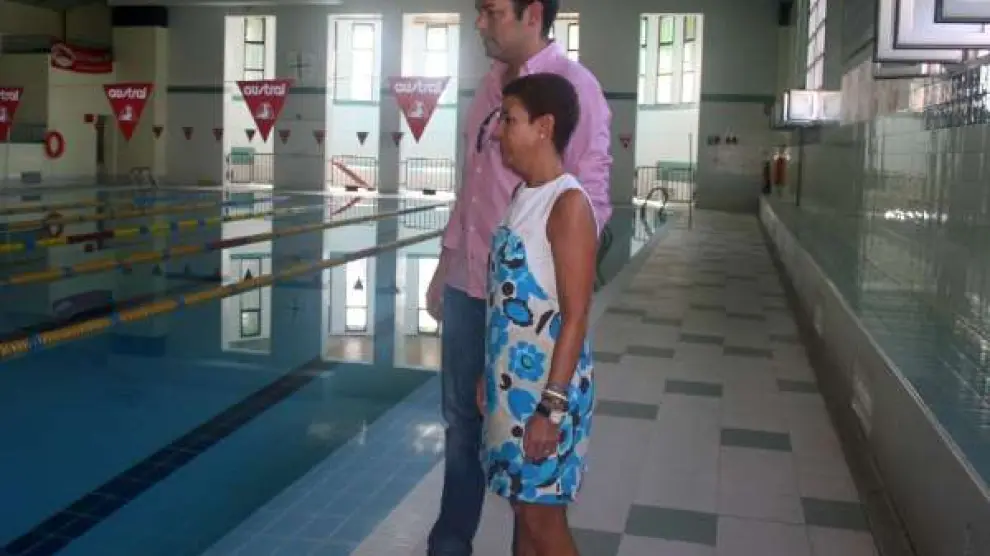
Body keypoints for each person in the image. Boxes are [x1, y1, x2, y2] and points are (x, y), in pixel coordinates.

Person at [425, 0, 612, 554]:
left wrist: (557, 274)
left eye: (491, 11)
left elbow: (591, 196)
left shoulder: (574, 88)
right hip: (473, 288)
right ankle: (451, 545)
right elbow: (472, 188)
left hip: (532, 314)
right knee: (465, 426)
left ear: (532, 13)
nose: (479, 22)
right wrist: (446, 265)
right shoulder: (488, 89)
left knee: (534, 491)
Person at [480, 72, 596, 556]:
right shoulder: (521, 196)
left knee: (543, 521)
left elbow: (576, 317)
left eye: (509, 120)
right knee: (523, 512)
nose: (498, 132)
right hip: (510, 388)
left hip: (547, 390)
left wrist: (550, 409)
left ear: (544, 127)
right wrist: (488, 377)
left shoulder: (567, 205)